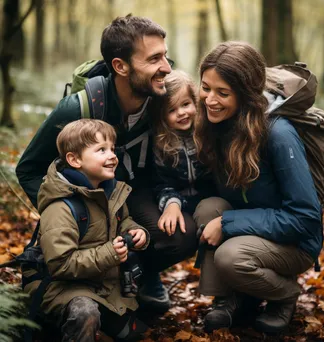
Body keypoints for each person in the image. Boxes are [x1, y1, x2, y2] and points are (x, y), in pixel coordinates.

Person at [16, 14, 198, 313]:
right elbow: (29, 169)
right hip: (87, 197)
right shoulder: (79, 108)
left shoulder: (159, 98)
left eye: (165, 56)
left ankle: (143, 272)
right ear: (120, 66)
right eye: (154, 59)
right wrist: (64, 213)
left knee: (181, 234)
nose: (166, 68)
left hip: (135, 192)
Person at [193, 41, 322, 334]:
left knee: (230, 255)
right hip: (255, 228)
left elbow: (305, 218)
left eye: (222, 93)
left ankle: (285, 295)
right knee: (206, 209)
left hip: (294, 243)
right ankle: (232, 298)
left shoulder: (278, 134)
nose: (209, 100)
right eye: (205, 88)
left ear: (245, 95)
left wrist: (227, 223)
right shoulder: (217, 124)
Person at [24, 119, 149, 341]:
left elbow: (123, 220)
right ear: (74, 160)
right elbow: (61, 265)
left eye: (112, 148)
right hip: (61, 287)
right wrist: (110, 253)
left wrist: (137, 231)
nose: (112, 155)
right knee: (86, 314)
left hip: (102, 283)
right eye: (101, 150)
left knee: (132, 333)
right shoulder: (60, 207)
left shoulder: (110, 192)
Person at [152, 70, 214, 236]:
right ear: (162, 116)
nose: (181, 113)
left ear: (195, 102)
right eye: (172, 110)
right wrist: (172, 203)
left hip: (211, 201)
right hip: (178, 201)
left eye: (185, 104)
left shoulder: (207, 133)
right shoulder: (162, 144)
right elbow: (161, 183)